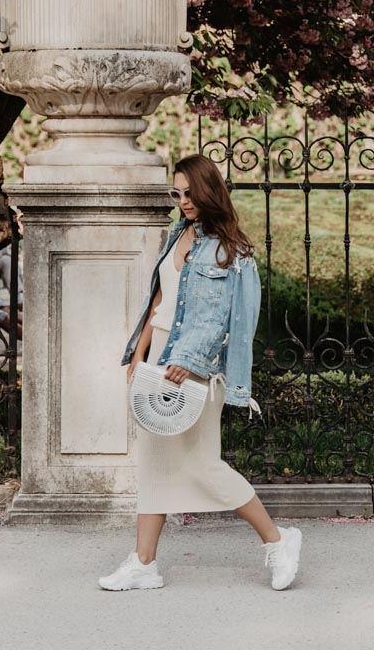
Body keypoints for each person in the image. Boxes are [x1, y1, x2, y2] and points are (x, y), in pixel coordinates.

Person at [98, 154, 302, 593]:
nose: (183, 201)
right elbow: (159, 302)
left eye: (190, 193)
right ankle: (144, 564)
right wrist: (138, 356)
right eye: (177, 193)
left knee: (202, 465)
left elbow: (237, 323)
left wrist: (194, 362)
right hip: (158, 363)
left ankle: (278, 540)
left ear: (210, 191)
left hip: (194, 369)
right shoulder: (177, 234)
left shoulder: (234, 252)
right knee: (153, 464)